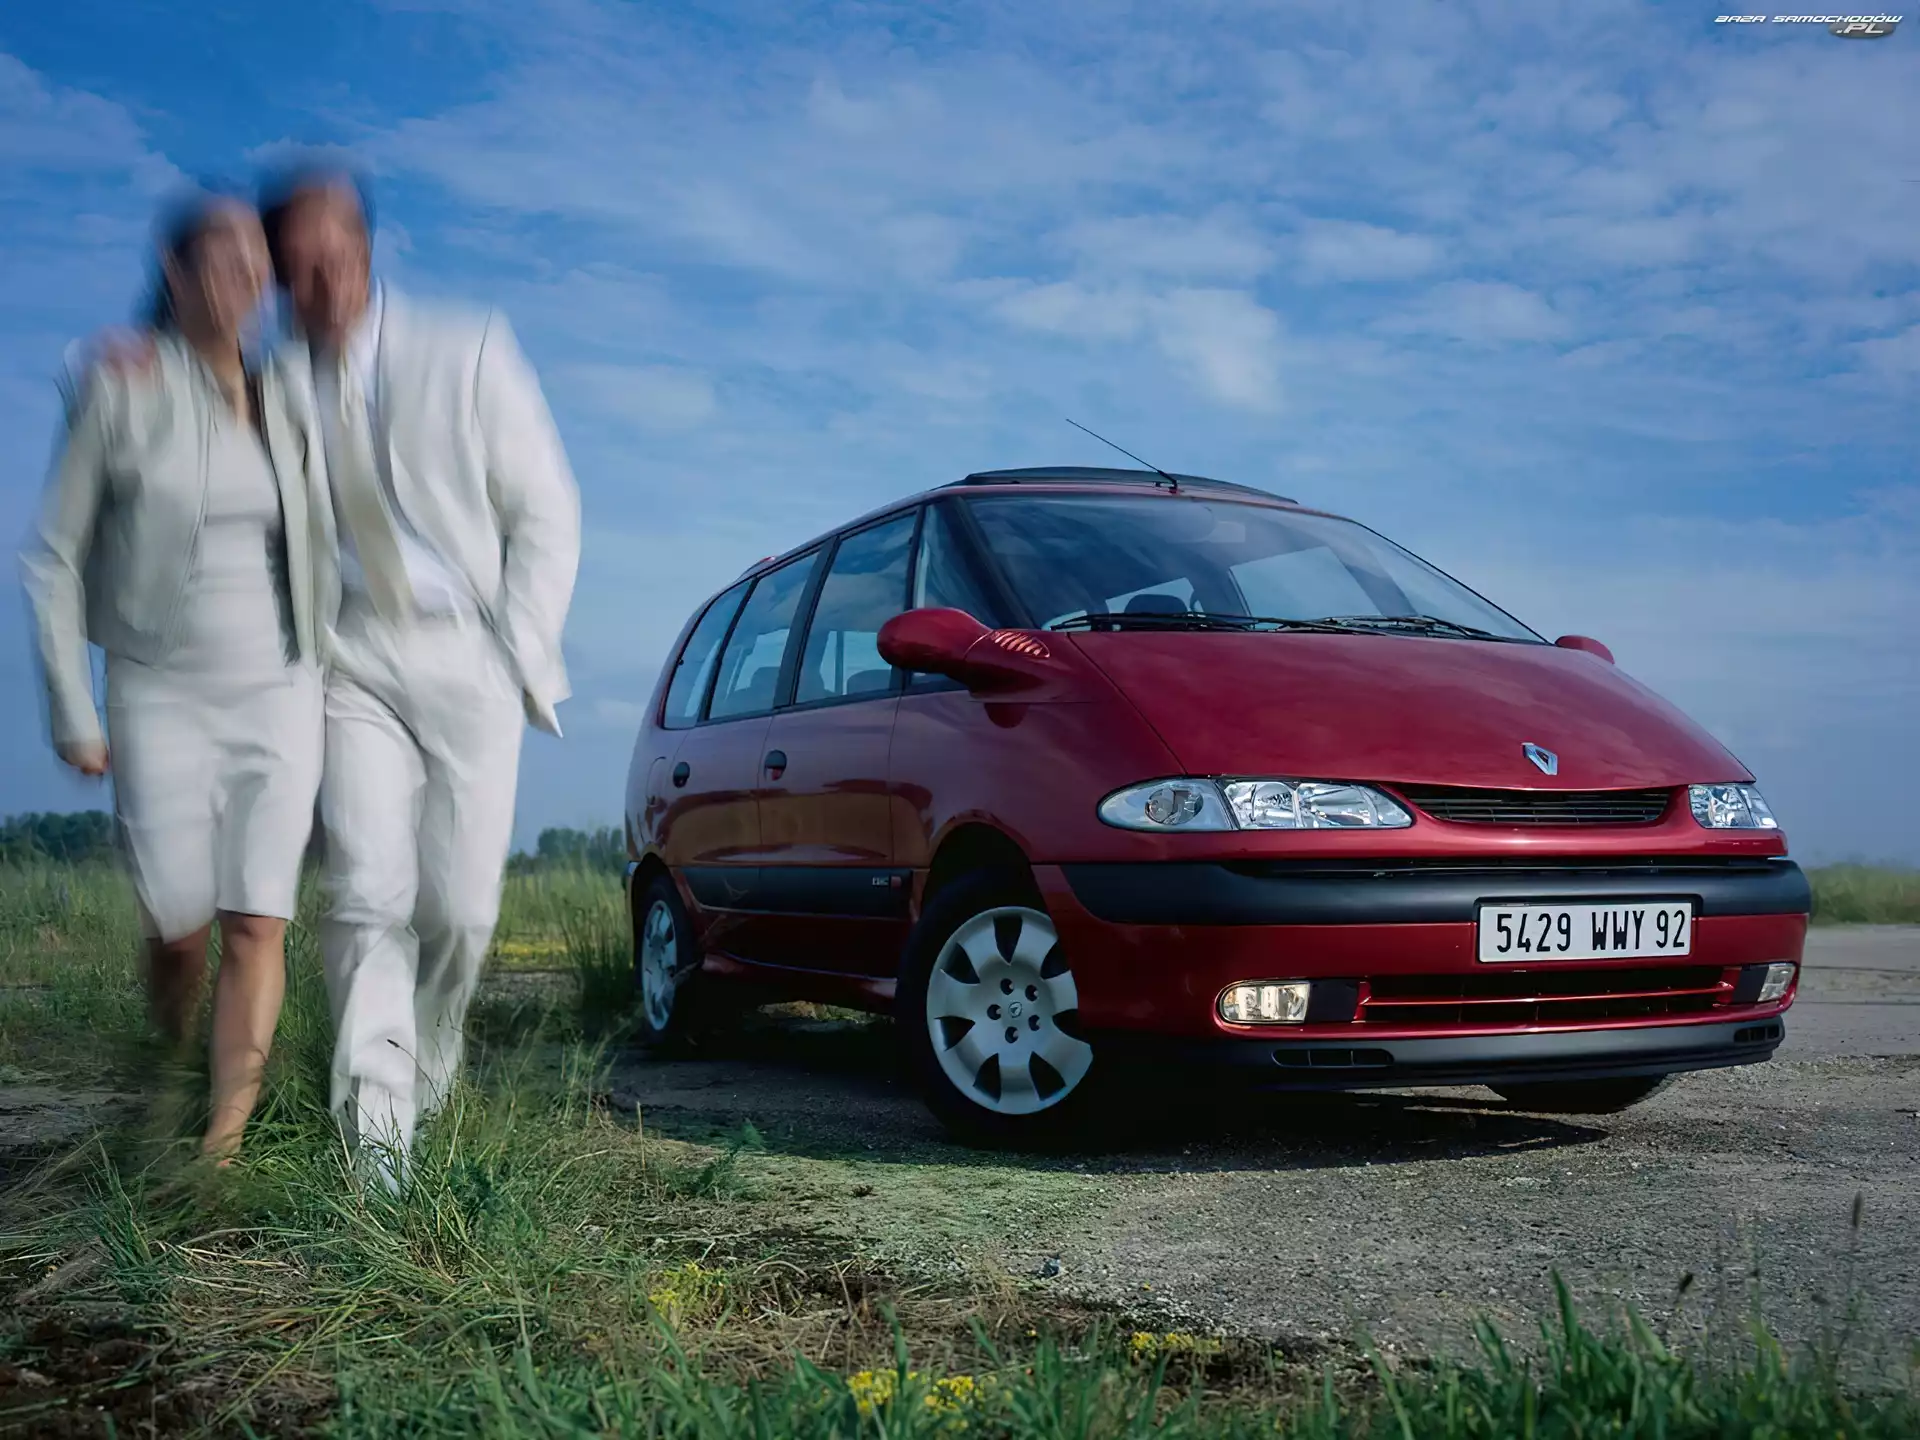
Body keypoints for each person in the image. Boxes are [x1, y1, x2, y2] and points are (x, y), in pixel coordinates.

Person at [255, 162, 580, 1186]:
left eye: (335, 258)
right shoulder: (267, 386)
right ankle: (379, 1154)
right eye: (298, 269)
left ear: (365, 249)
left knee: (462, 913)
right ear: (276, 278)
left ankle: (426, 1081)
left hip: (469, 650)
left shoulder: (467, 348)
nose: (322, 285)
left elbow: (546, 512)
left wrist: (513, 648)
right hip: (348, 659)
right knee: (366, 893)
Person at [21, 190, 327, 1163]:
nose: (246, 275)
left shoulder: (290, 393)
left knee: (257, 919)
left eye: (257, 261)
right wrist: (72, 707)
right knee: (180, 928)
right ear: (176, 270)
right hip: (158, 687)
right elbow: (51, 556)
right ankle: (170, 1056)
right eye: (224, 256)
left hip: (281, 686)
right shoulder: (122, 384)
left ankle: (220, 1146)